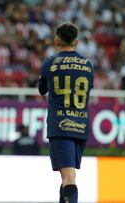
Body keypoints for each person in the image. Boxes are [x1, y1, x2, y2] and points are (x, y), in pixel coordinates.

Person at [38, 22, 94, 203]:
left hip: (61, 126)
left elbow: (42, 90)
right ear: (76, 42)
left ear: (56, 41)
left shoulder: (50, 62)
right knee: (67, 176)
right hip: (81, 127)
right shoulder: (87, 65)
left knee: (68, 177)